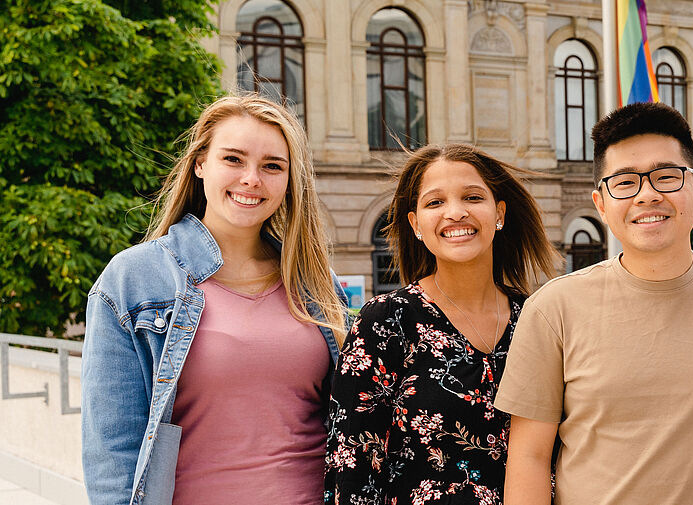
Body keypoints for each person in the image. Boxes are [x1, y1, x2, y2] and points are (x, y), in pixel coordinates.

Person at [495, 102, 693, 505]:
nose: (648, 195)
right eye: (625, 182)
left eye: (666, 176)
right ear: (601, 204)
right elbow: (529, 458)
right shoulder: (553, 309)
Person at [81, 95, 350, 505]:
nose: (252, 179)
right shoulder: (134, 279)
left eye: (272, 166)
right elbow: (112, 449)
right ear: (200, 163)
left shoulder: (315, 280)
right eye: (234, 159)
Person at [324, 143, 558, 504]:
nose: (456, 212)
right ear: (416, 224)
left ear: (499, 213)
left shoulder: (536, 318)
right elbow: (351, 466)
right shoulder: (386, 322)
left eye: (472, 197)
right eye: (435, 203)